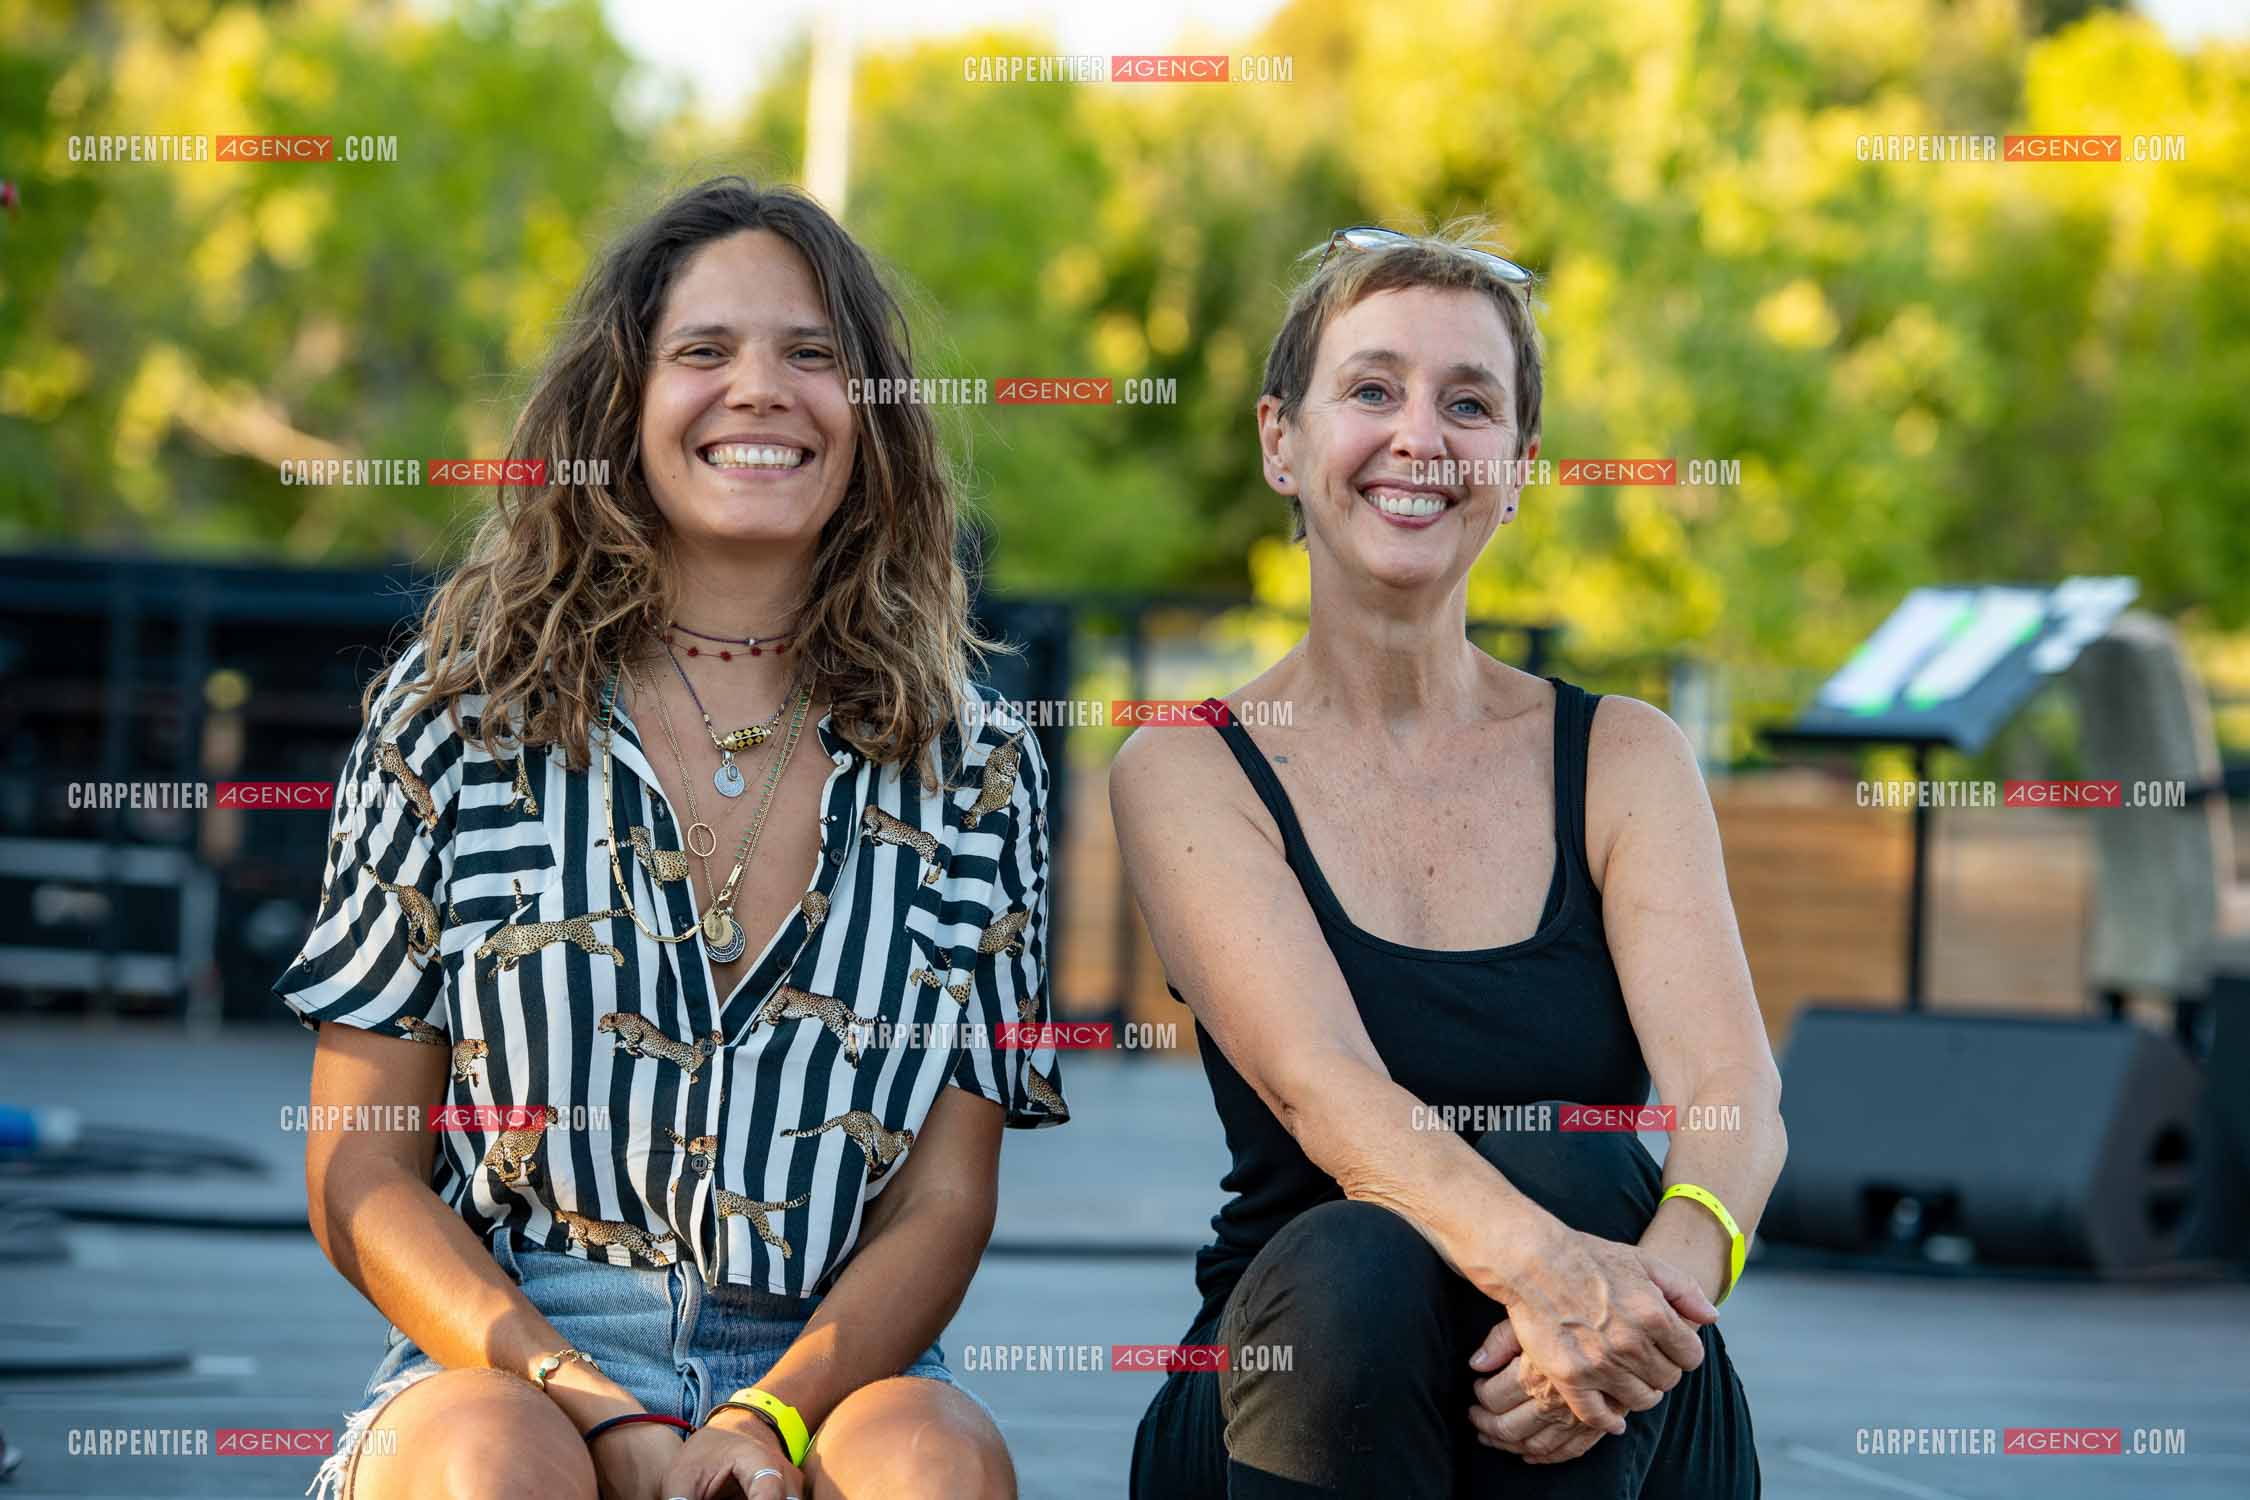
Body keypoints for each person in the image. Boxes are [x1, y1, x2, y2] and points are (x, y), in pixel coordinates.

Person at [277, 175, 1068, 1500]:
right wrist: (578, 1399)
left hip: (834, 1362)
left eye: (811, 355)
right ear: (621, 407)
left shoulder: (976, 768)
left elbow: (942, 1206)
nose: (759, 388)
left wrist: (770, 1416)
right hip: (507, 1350)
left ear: (868, 420)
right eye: (702, 351)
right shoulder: (452, 719)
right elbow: (358, 1165)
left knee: (932, 1466)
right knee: (490, 1463)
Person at [1113, 224, 1782, 1497]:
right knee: (1366, 1259)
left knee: (1582, 1162)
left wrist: (1648, 1309)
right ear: (1281, 442)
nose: (1420, 436)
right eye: (1370, 389)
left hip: (1622, 1388)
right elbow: (1332, 1103)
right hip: (1303, 1384)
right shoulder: (1185, 769)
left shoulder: (1626, 758)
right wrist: (1550, 1278)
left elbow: (1735, 1099)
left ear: (1519, 467)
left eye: (1468, 403)